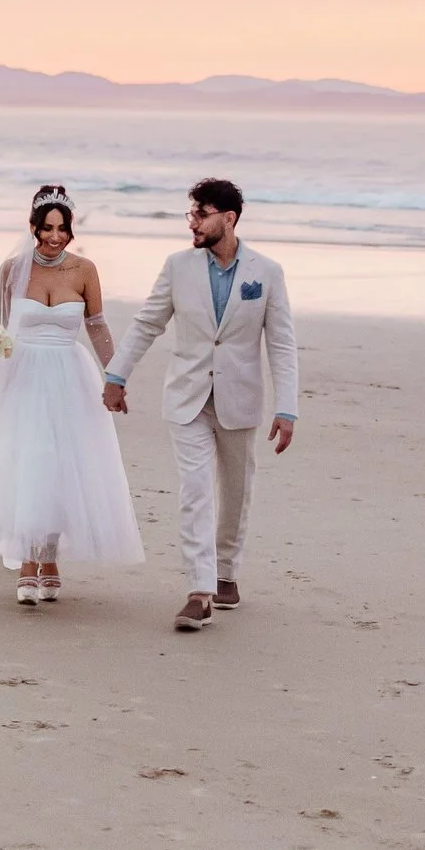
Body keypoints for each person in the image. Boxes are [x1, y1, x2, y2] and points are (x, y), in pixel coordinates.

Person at [103, 178, 298, 631]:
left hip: (240, 398)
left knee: (235, 490)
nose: (192, 222)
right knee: (195, 491)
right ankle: (200, 590)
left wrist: (286, 408)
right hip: (188, 397)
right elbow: (147, 323)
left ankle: (226, 572)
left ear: (228, 219)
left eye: (201, 214)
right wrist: (116, 374)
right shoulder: (177, 267)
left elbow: (282, 345)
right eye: (190, 213)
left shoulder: (266, 272)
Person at [0, 185, 143, 604]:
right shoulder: (12, 269)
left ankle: (50, 560)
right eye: (46, 228)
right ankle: (28, 564)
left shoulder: (85, 270)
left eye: (61, 229)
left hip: (70, 377)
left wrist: (115, 376)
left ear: (70, 230)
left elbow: (97, 326)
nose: (54, 237)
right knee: (30, 462)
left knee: (62, 465)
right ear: (33, 228)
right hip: (23, 376)